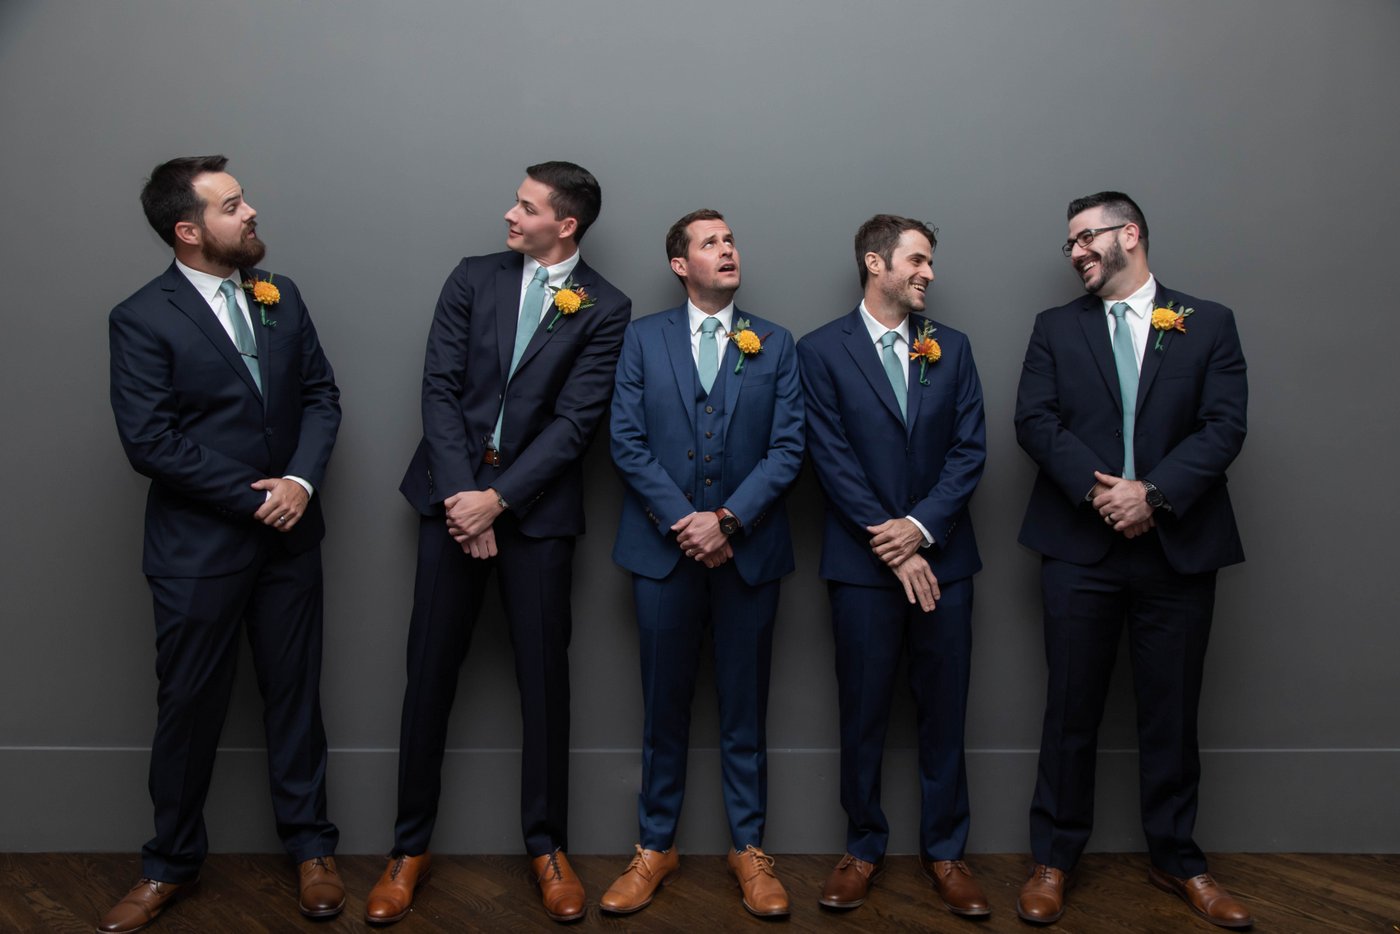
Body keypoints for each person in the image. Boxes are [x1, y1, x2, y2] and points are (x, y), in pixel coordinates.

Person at [366, 161, 631, 925]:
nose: (510, 215)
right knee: (428, 676)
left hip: (536, 518)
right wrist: (464, 499)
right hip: (450, 504)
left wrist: (499, 501)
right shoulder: (472, 277)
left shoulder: (606, 306)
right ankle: (407, 849)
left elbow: (577, 424)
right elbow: (438, 386)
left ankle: (548, 848)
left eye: (525, 206)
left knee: (545, 683)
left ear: (565, 225)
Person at [104, 155, 344, 933]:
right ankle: (168, 865)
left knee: (295, 699)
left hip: (290, 543)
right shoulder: (142, 317)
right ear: (188, 229)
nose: (251, 212)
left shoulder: (281, 295)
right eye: (232, 205)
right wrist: (258, 496)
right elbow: (150, 441)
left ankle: (313, 851)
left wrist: (300, 482)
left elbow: (320, 396)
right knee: (188, 708)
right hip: (198, 551)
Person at [1013, 191, 1250, 928]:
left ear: (1131, 234)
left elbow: (1224, 426)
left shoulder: (1208, 322)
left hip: (1178, 548)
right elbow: (1034, 421)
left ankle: (1178, 859)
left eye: (1087, 238)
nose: (1077, 252)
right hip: (1078, 550)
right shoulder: (1055, 328)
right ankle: (1053, 860)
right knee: (1069, 709)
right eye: (1071, 244)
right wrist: (1102, 494)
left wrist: (1153, 494)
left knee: (1172, 711)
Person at [601, 209, 804, 918]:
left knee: (746, 711)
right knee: (663, 710)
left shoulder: (775, 343)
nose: (727, 250)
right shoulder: (641, 339)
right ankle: (655, 847)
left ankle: (749, 849)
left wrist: (727, 521)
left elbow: (789, 448)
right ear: (680, 265)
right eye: (710, 243)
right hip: (662, 555)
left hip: (749, 555)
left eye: (730, 240)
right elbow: (625, 440)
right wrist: (686, 522)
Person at [797, 215, 989, 919]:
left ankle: (947, 853)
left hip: (945, 560)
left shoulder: (952, 347)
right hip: (861, 567)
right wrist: (891, 542)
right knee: (863, 712)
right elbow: (829, 455)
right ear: (875, 264)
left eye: (929, 262)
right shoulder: (820, 350)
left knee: (946, 711)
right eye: (918, 260)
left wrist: (919, 530)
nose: (928, 273)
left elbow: (969, 450)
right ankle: (862, 848)